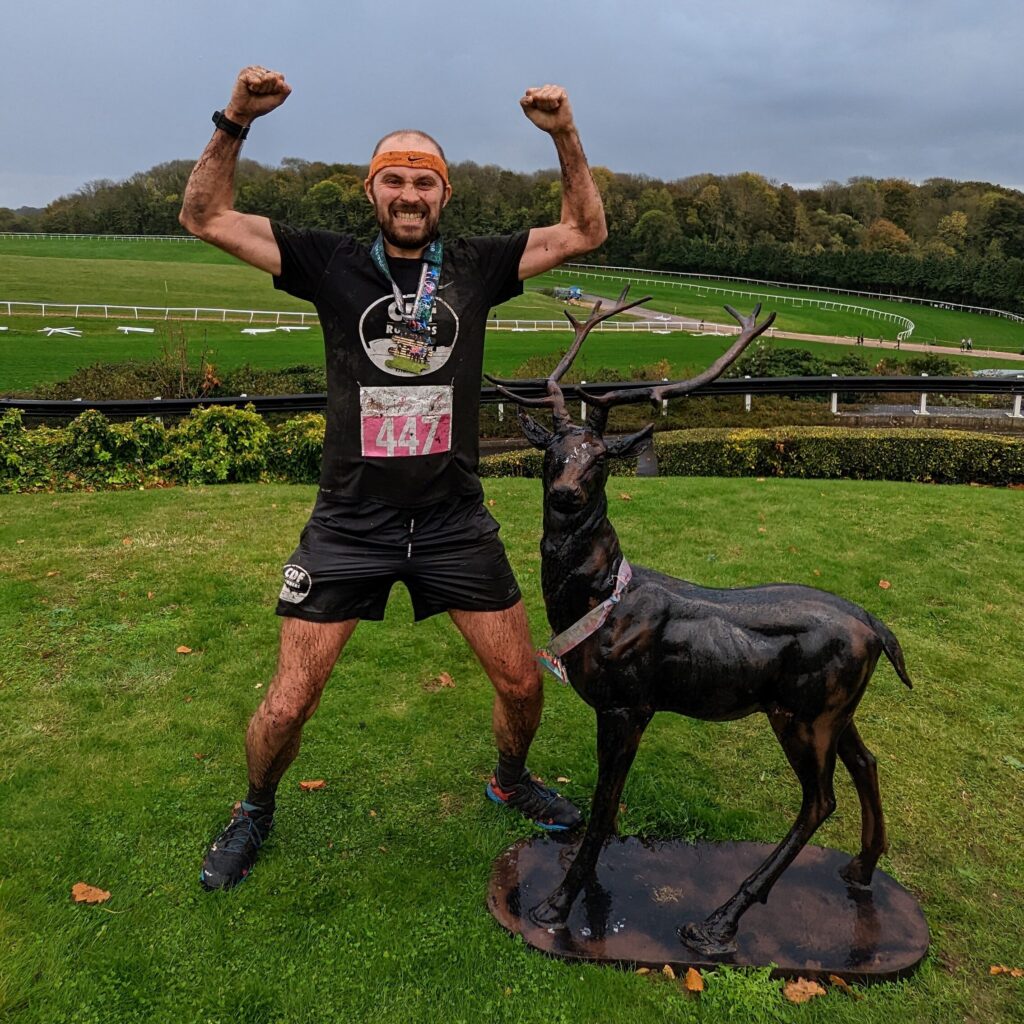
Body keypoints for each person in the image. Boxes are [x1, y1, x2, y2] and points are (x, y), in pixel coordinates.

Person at [179, 66, 608, 891]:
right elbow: (203, 214)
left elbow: (584, 231)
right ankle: (255, 810)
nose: (409, 193)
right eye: (394, 180)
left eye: (424, 181)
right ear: (370, 190)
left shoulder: (479, 268)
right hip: (350, 521)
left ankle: (509, 779)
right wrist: (236, 118)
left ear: (443, 195)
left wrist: (563, 134)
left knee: (523, 684)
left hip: (453, 520)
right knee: (288, 702)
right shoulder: (328, 261)